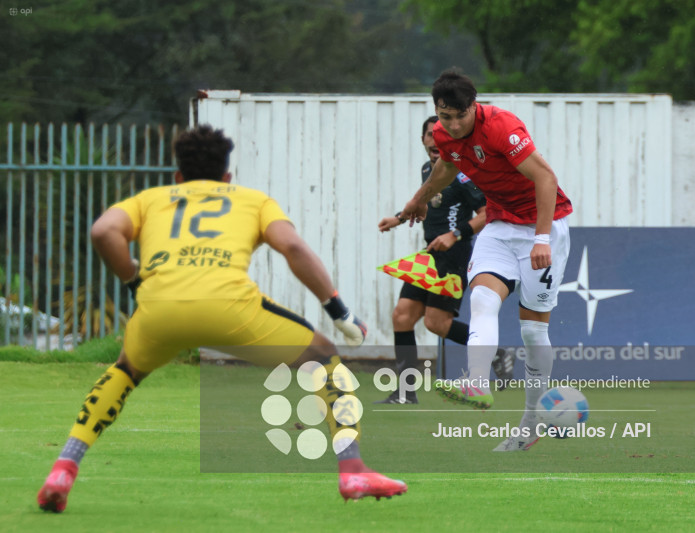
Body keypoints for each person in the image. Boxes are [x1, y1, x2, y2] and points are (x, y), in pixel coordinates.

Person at [37, 125, 407, 513]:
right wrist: (337, 309)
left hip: (159, 310)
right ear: (227, 176)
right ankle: (353, 469)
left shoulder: (150, 199)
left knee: (125, 372)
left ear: (178, 176)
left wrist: (133, 278)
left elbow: (103, 231)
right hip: (230, 309)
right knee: (323, 356)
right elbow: (293, 246)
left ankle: (64, 467)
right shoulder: (252, 200)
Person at [400, 70, 573, 452]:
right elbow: (446, 167)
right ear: (437, 111)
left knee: (532, 332)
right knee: (481, 298)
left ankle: (531, 423)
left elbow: (545, 178)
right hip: (499, 225)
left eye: (461, 115)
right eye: (446, 117)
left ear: (474, 106)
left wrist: (542, 238)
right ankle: (477, 381)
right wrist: (419, 198)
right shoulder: (445, 135)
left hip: (545, 225)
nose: (454, 124)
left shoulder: (501, 128)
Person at [376, 116, 515, 404]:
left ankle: (497, 353)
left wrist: (455, 235)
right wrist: (399, 218)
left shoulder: (462, 173)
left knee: (436, 323)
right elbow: (426, 204)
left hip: (454, 255)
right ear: (424, 140)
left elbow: (486, 213)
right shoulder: (429, 170)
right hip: (429, 255)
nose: (433, 140)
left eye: (437, 135)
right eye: (428, 135)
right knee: (401, 316)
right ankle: (405, 392)